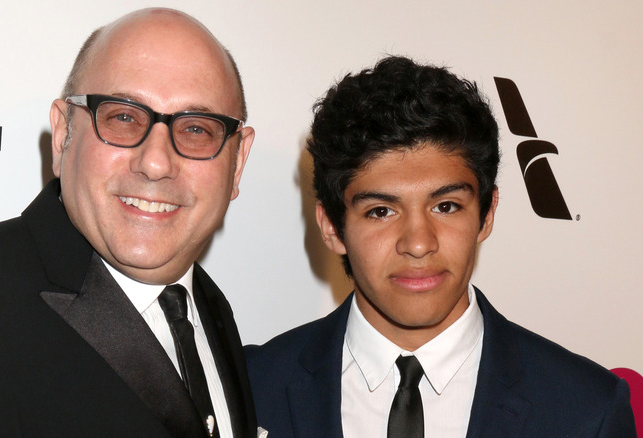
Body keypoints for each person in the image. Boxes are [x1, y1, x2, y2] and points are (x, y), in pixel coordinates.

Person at [0, 8, 258, 438]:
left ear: (237, 163)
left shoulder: (209, 309)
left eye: (197, 129)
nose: (156, 162)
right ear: (62, 135)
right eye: (123, 117)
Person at [245, 56, 636, 437]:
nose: (418, 243)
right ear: (331, 227)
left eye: (446, 206)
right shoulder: (249, 389)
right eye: (381, 211)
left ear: (486, 214)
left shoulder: (587, 410)